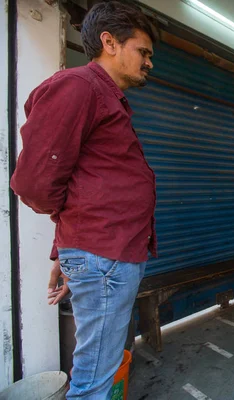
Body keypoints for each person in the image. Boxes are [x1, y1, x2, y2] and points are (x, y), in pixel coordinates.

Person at [10, 2, 157, 398]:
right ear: (109, 42)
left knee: (99, 370)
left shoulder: (105, 97)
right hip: (104, 256)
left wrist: (64, 248)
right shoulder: (79, 86)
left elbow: (82, 186)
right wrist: (78, 243)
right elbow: (35, 183)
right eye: (143, 52)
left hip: (106, 253)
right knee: (94, 379)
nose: (149, 63)